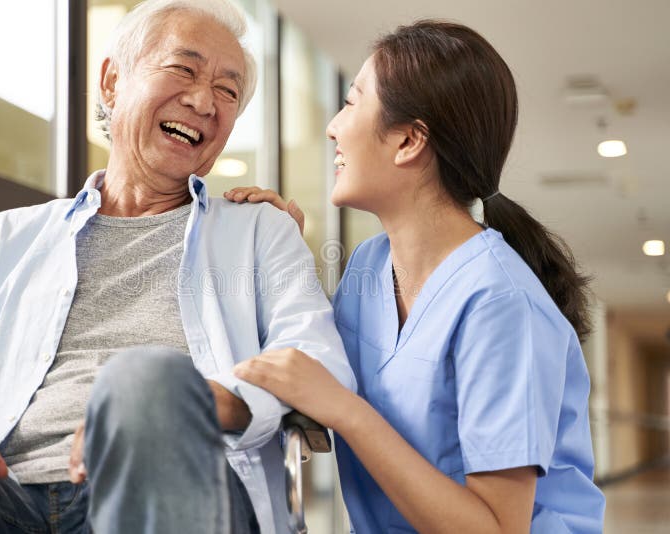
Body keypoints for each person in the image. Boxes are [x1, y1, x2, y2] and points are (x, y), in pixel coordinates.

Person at [0, 1, 355, 533]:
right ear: (111, 81)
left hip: (170, 491)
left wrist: (210, 400)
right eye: (183, 68)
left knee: (145, 379)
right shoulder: (7, 237)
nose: (202, 100)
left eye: (228, 90)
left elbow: (318, 361)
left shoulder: (260, 230)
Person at [228, 20, 605, 534]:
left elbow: (496, 529)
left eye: (351, 102)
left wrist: (348, 412)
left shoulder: (501, 302)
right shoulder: (368, 265)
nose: (333, 126)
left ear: (408, 140)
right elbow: (313, 368)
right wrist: (282, 258)